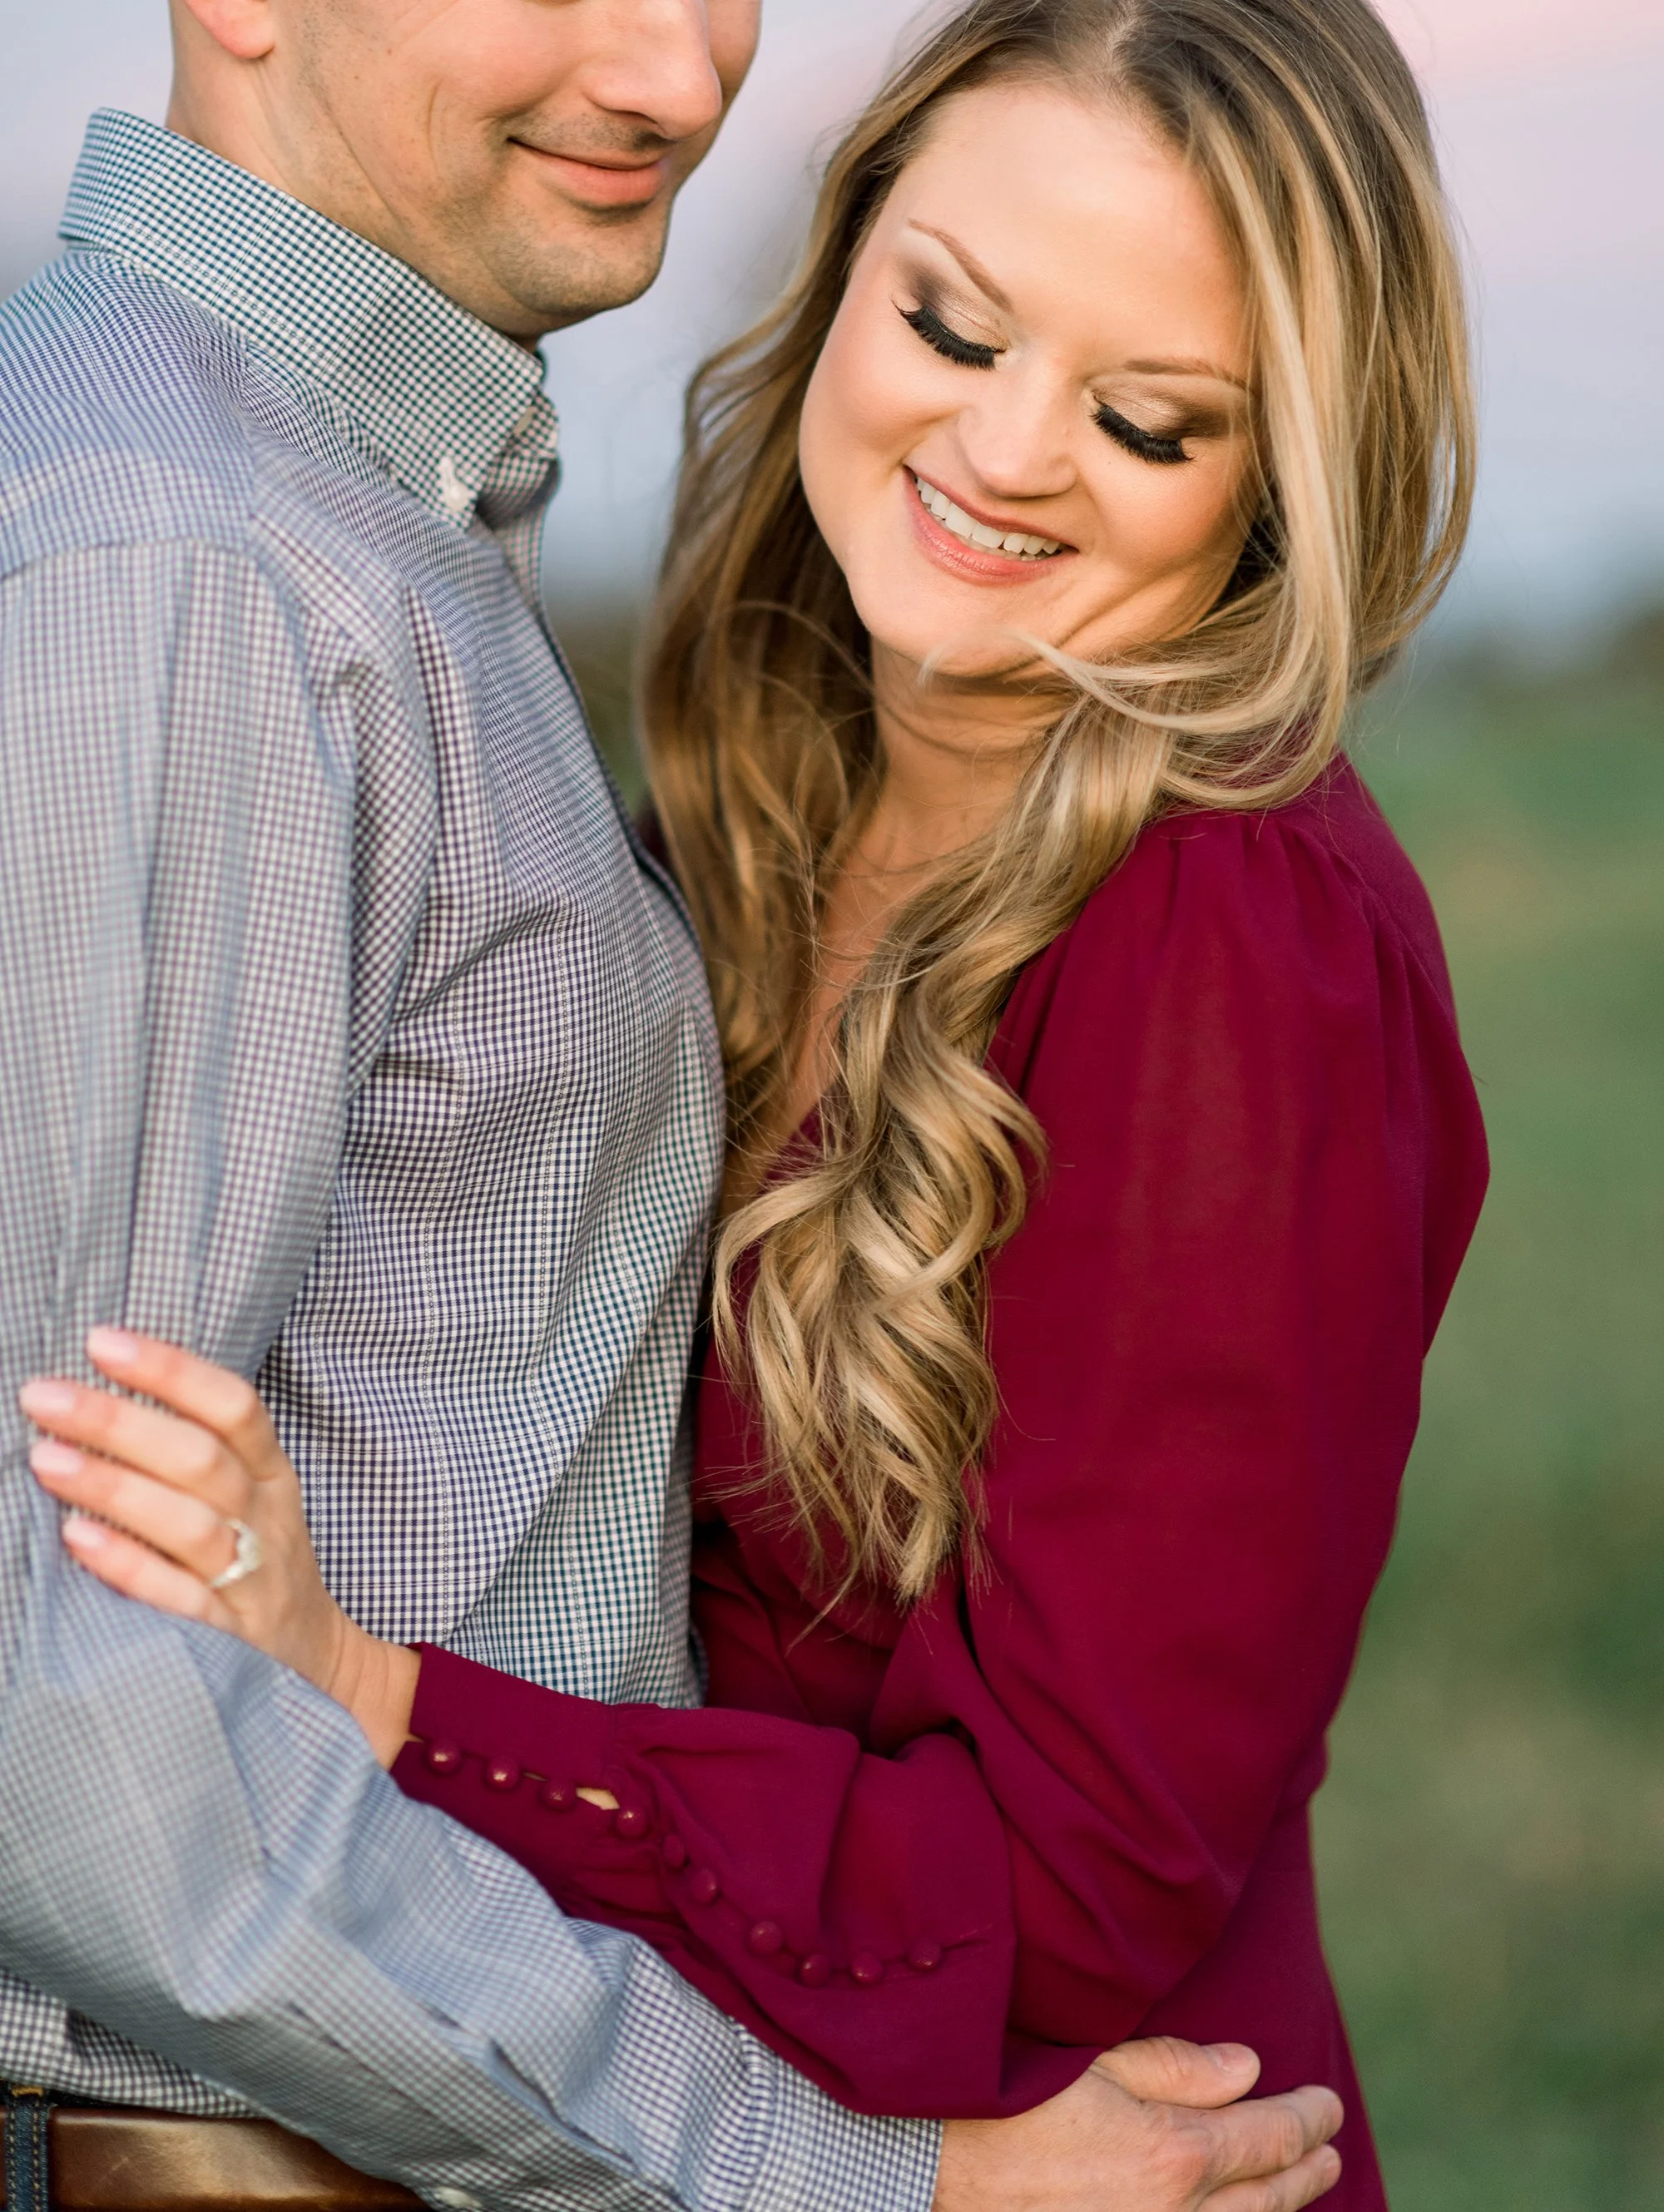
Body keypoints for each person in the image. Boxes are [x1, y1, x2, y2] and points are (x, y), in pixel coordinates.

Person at [20, 0, 1487, 2205]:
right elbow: (79, 1687)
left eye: (1153, 418)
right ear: (855, 253)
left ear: (1283, 478)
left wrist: (392, 1698)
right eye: (955, 320)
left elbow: (1075, 1884)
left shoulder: (1229, 921)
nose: (1007, 451)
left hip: (1073, 2144)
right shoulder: (734, 750)